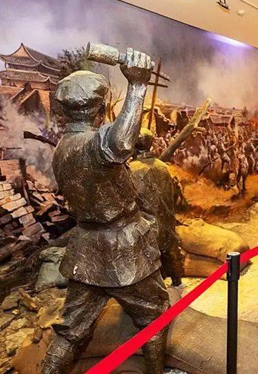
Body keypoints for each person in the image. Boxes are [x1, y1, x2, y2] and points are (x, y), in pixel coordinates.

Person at [41, 48, 168, 374]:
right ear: (99, 108)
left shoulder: (62, 148)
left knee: (71, 331)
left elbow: (116, 143)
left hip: (86, 251)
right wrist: (137, 85)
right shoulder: (93, 145)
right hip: (122, 247)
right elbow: (119, 144)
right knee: (155, 317)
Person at [129, 128, 187, 287]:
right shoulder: (163, 166)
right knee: (170, 252)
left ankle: (154, 288)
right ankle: (176, 280)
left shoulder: (132, 170)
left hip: (145, 223)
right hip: (166, 219)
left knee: (146, 258)